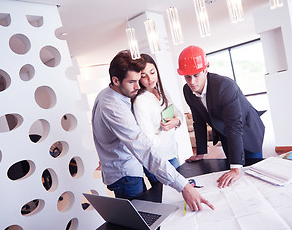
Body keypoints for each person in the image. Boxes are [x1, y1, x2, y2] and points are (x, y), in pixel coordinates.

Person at [91, 50, 214, 212]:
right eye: (132, 82)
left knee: (149, 212)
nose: (138, 86)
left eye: (138, 79)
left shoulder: (111, 93)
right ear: (115, 80)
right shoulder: (113, 106)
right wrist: (184, 186)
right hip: (125, 174)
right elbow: (143, 148)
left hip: (129, 168)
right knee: (141, 218)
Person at [177, 45, 265, 188]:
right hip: (226, 133)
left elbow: (234, 125)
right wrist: (200, 152)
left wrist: (236, 167)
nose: (192, 81)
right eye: (187, 77)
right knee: (233, 180)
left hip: (248, 131)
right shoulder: (187, 91)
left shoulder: (224, 86)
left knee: (253, 175)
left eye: (196, 75)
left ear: (205, 70)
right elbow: (198, 120)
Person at [132, 53, 182, 186]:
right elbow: (150, 141)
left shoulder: (162, 90)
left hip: (172, 153)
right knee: (170, 200)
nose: (150, 78)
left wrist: (176, 121)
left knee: (181, 199)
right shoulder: (140, 101)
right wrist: (168, 129)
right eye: (144, 76)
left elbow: (178, 113)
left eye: (152, 72)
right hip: (157, 161)